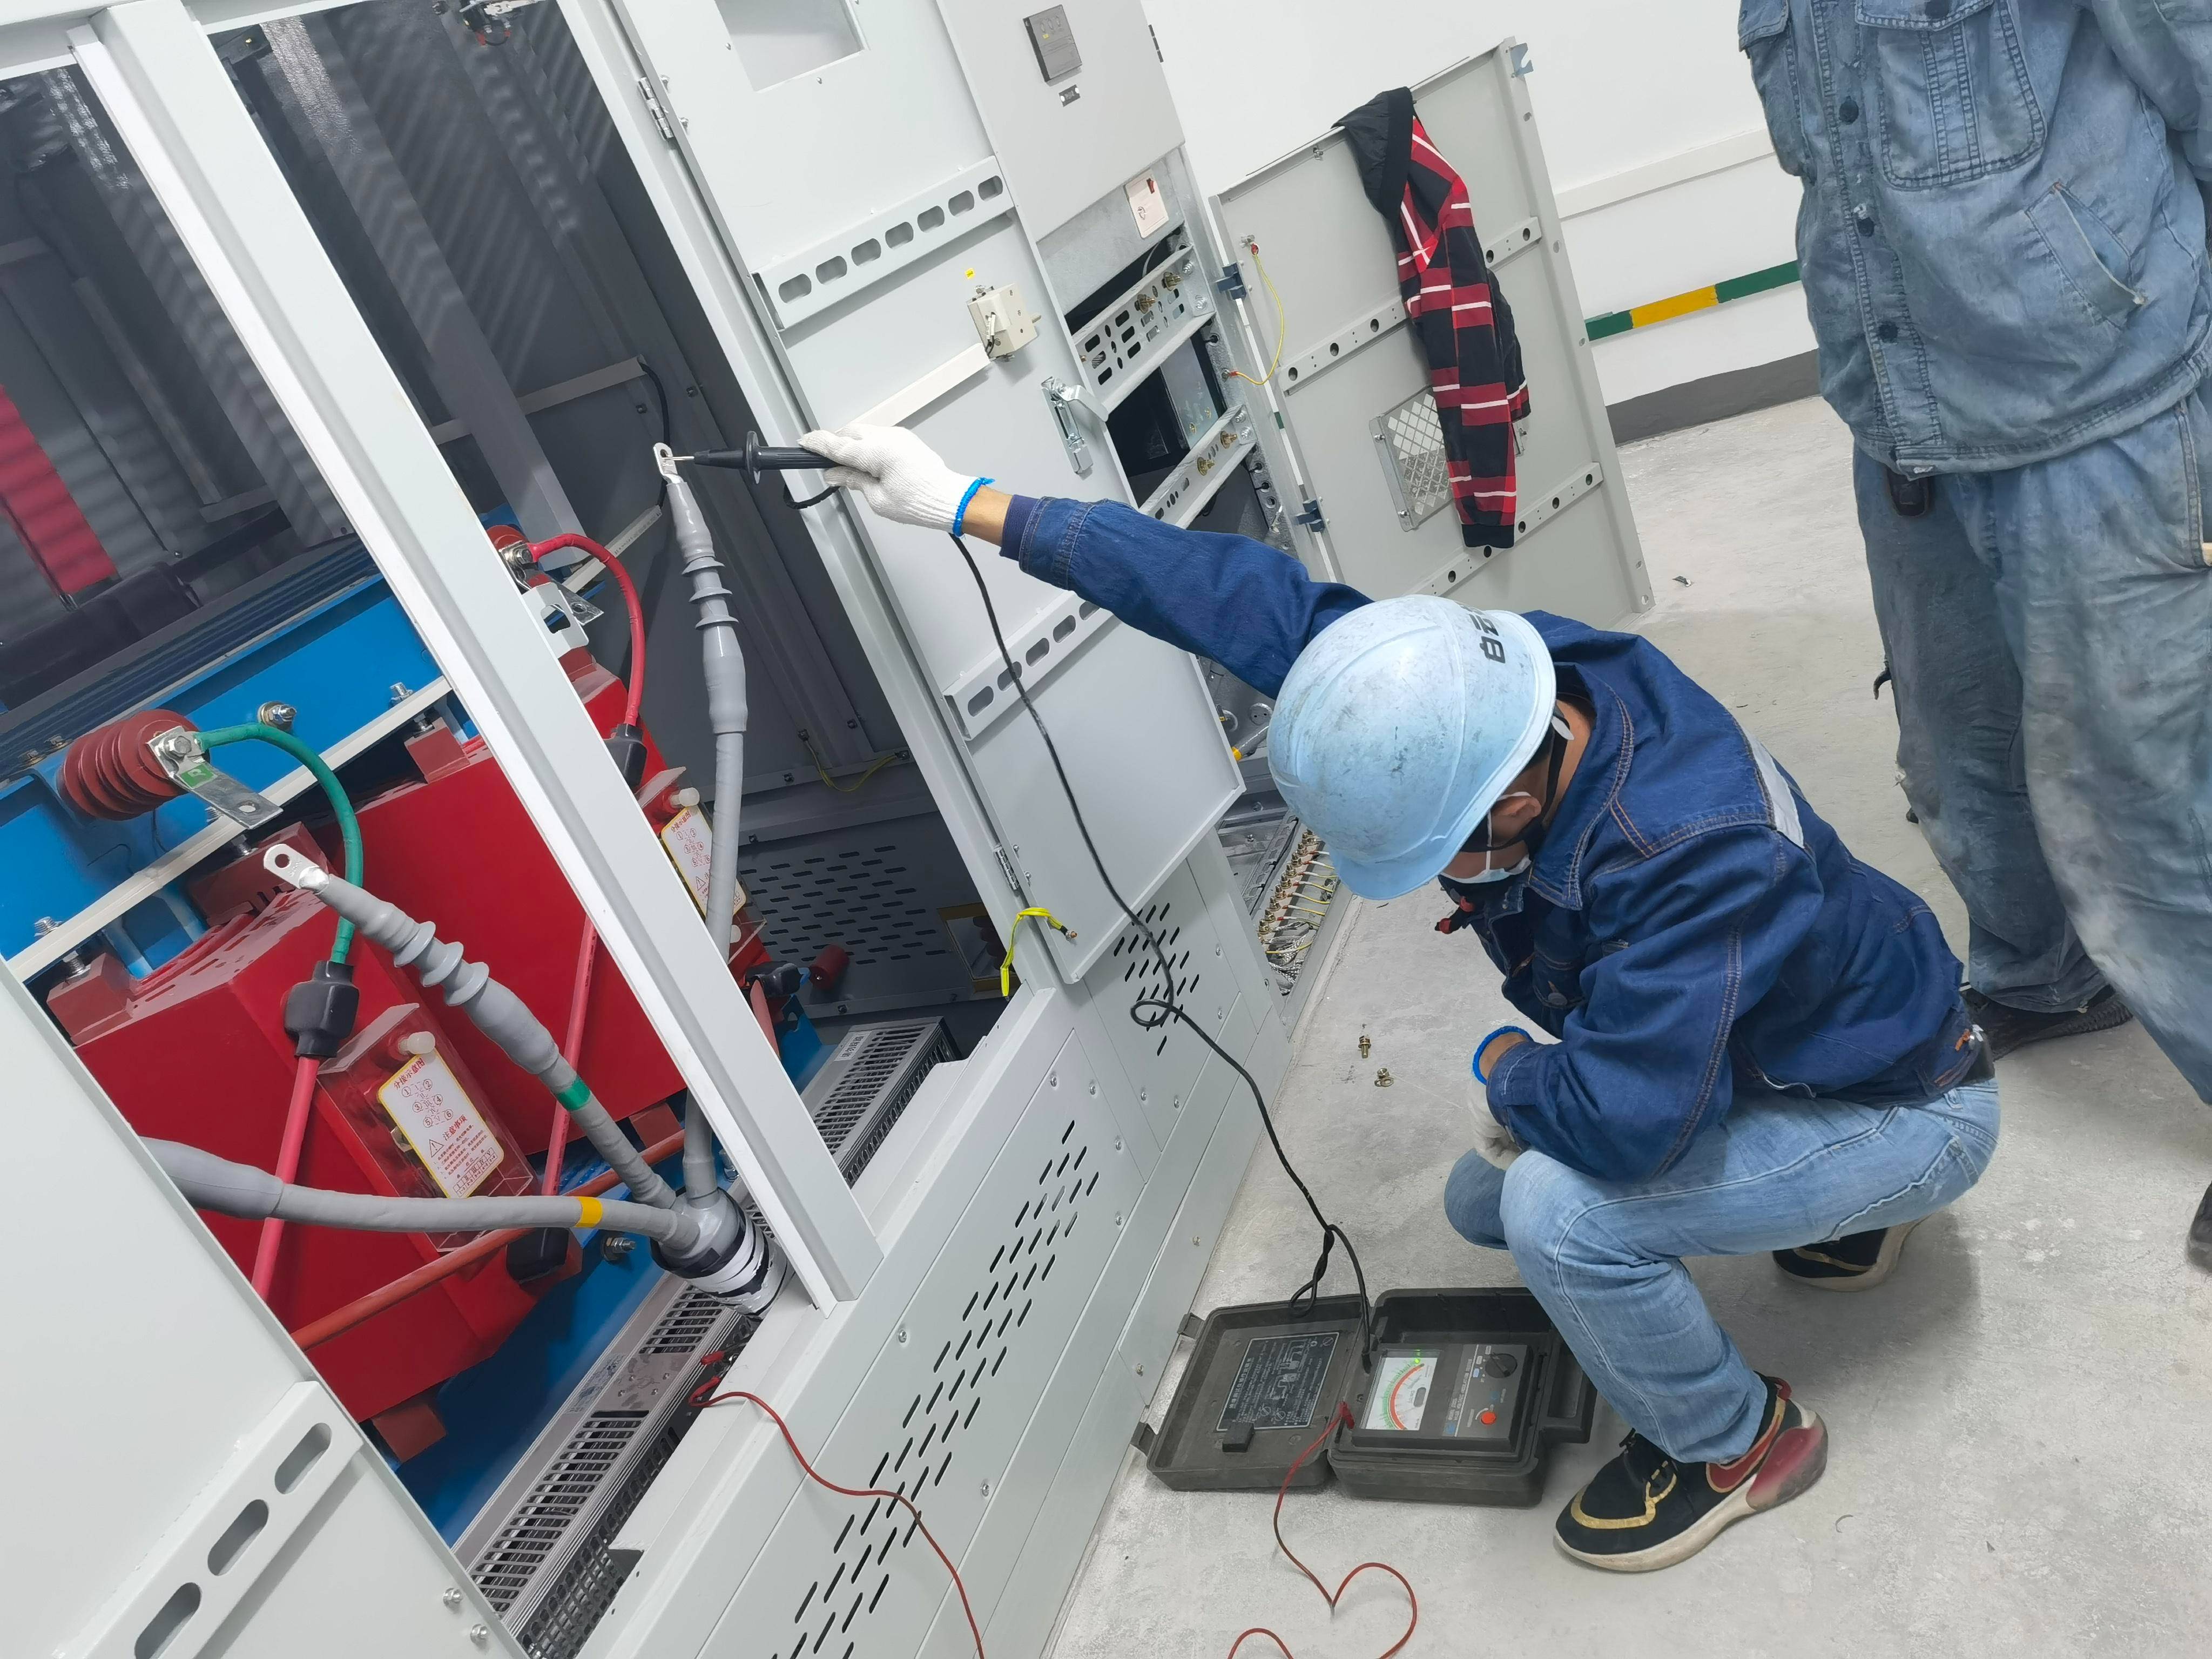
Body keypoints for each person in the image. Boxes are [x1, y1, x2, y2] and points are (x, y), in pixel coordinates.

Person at [804, 423, 2001, 1572]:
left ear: (1515, 806)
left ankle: (1739, 1442)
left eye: (1442, 852)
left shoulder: (1692, 854)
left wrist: (1505, 1071)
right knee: (1483, 1205)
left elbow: (1626, 1122)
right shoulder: (1477, 691)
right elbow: (1229, 595)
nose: (1439, 878)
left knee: (1556, 1217)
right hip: (1799, 1036)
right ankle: (1833, 1215)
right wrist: (967, 504)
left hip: (1908, 1102)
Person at [1736, 1, 2212, 1258]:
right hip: (1904, 417)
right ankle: (2041, 977)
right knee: (1957, 760)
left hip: (2098, 397)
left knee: (2144, 798)